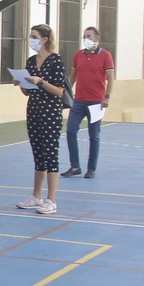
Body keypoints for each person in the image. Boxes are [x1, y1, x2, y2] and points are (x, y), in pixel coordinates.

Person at [18, 23, 67, 214]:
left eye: (34, 36)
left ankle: (51, 200)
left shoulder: (56, 61)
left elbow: (59, 91)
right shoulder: (31, 62)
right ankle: (36, 196)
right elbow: (26, 92)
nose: (31, 40)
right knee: (38, 154)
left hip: (50, 113)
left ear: (44, 40)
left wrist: (41, 81)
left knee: (50, 154)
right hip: (34, 111)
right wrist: (21, 82)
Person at [62, 25, 113, 180]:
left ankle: (91, 168)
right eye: (84, 36)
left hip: (96, 102)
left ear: (97, 38)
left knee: (94, 136)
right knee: (70, 131)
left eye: (89, 36)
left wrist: (107, 97)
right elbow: (72, 77)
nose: (86, 39)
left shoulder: (105, 55)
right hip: (79, 100)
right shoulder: (78, 55)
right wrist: (66, 93)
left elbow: (110, 79)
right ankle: (75, 165)